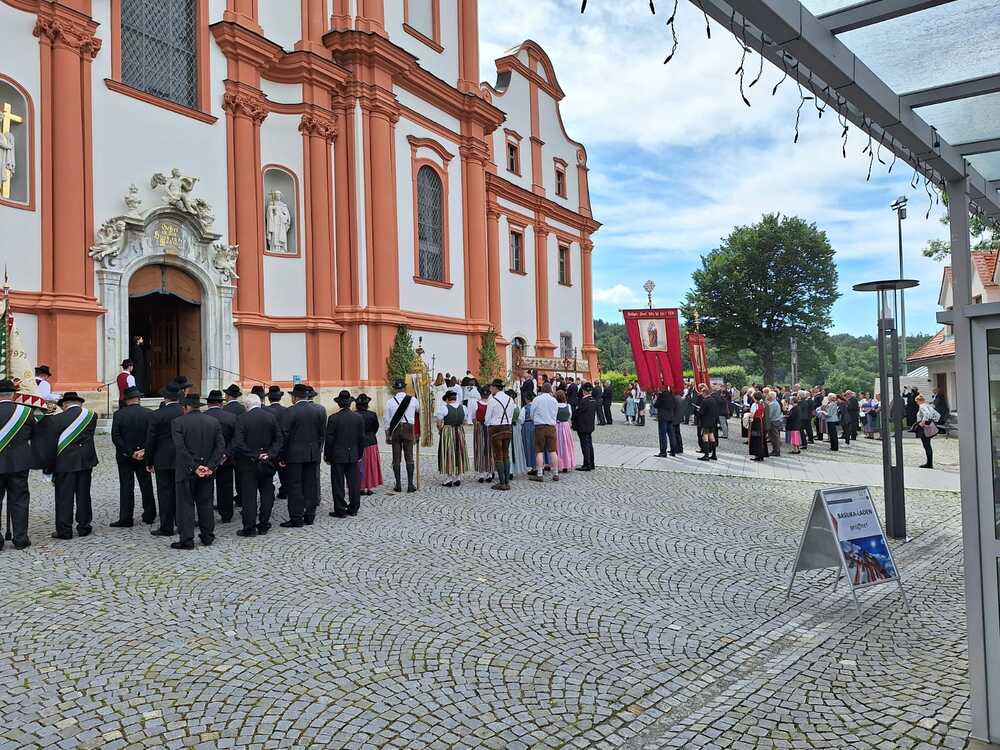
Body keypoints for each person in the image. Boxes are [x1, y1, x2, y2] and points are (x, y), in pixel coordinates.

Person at [170, 393, 224, 550]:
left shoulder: (178, 422)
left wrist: (194, 467)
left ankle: (187, 539)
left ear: (186, 407)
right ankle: (207, 536)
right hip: (207, 470)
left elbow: (180, 448)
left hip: (186, 471)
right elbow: (220, 446)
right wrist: (210, 466)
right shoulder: (213, 421)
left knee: (185, 505)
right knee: (206, 503)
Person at [44, 391, 98, 539]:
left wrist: (48, 467)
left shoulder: (56, 419)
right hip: (86, 460)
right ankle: (84, 526)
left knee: (64, 496)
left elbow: (51, 445)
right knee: (84, 495)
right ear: (79, 403)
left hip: (64, 462)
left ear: (65, 405)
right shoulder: (91, 416)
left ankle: (64, 530)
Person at [231, 393, 281, 536]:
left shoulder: (242, 418)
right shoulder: (271, 417)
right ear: (259, 403)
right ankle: (264, 524)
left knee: (249, 496)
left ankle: (249, 527)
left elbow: (239, 443)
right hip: (267, 461)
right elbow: (279, 439)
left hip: (248, 463)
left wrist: (255, 454)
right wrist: (269, 454)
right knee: (267, 492)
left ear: (246, 406)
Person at [280, 383, 326, 527]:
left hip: (294, 455)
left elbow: (284, 435)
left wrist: (282, 456)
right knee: (311, 485)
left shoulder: (290, 411)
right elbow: (322, 434)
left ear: (294, 397)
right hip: (312, 453)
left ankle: (296, 518)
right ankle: (310, 516)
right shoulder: (319, 410)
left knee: (295, 486)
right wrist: (317, 450)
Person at [110, 386, 155, 527]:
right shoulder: (149, 413)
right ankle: (149, 515)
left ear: (126, 400)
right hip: (144, 455)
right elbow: (152, 436)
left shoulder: (119, 414)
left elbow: (116, 437)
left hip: (125, 457)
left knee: (126, 486)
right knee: (146, 485)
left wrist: (130, 452)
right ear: (139, 399)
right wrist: (143, 450)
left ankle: (126, 518)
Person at [0, 378, 35, 549]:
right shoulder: (26, 412)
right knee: (20, 500)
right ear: (13, 395)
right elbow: (33, 434)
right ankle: (20, 539)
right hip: (19, 463)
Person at [146, 384, 184, 537]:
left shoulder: (157, 415)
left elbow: (151, 440)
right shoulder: (184, 412)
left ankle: (166, 526)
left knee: (165, 493)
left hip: (162, 458)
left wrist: (149, 461)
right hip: (182, 457)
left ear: (165, 397)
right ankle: (183, 523)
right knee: (182, 492)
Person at [324, 391, 366, 518]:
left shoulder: (333, 418)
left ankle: (340, 509)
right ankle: (354, 508)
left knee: (338, 483)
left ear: (339, 404)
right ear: (350, 403)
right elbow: (361, 438)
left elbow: (329, 440)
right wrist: (359, 454)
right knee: (354, 483)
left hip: (337, 455)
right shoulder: (358, 417)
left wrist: (327, 456)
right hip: (353, 454)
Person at [384, 378, 419, 493]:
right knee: (409, 457)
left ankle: (398, 485)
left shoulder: (390, 402)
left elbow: (386, 420)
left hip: (395, 430)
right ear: (404, 388)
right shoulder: (413, 400)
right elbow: (419, 411)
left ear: (395, 389)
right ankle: (410, 485)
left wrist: (387, 435)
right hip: (408, 429)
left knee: (396, 458)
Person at [486, 379, 516, 490]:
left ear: (495, 388)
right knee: (506, 453)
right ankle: (507, 482)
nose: (490, 389)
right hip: (507, 427)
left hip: (496, 428)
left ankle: (502, 482)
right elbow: (512, 414)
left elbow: (487, 418)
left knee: (498, 454)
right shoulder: (510, 399)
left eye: (491, 387)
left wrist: (489, 425)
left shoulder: (493, 400)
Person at [435, 390, 468, 487]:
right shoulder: (463, 408)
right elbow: (465, 422)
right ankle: (458, 477)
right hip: (459, 431)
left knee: (448, 452)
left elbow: (439, 423)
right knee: (459, 452)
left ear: (447, 399)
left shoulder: (444, 408)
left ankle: (449, 478)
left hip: (448, 431)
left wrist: (441, 430)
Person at [530, 384, 560, 482]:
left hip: (540, 427)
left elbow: (531, 414)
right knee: (553, 451)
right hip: (551, 427)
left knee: (539, 451)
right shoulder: (554, 400)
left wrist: (536, 419)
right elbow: (556, 413)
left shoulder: (537, 399)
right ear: (550, 390)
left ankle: (539, 474)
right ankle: (555, 473)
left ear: (542, 390)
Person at [354, 394, 382, 496]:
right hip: (370, 441)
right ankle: (368, 487)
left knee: (358, 466)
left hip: (357, 442)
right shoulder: (372, 415)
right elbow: (375, 428)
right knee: (370, 465)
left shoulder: (354, 415)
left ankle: (359, 486)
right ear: (367, 404)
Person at [571, 382, 597, 471]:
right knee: (589, 444)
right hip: (589, 426)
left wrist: (572, 419)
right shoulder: (593, 400)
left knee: (585, 445)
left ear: (583, 391)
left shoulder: (583, 401)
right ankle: (591, 463)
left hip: (582, 426)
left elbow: (577, 412)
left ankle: (587, 464)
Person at [472, 387, 493, 484]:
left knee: (480, 449)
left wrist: (477, 424)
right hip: (489, 427)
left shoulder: (476, 404)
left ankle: (481, 473)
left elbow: (473, 418)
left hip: (480, 427)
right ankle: (489, 472)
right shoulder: (492, 404)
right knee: (489, 449)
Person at [914, 394, 940, 469]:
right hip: (929, 427)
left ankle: (929, 464)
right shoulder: (928, 406)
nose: (917, 403)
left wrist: (923, 423)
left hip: (924, 428)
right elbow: (938, 415)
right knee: (928, 445)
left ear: (919, 401)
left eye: (917, 402)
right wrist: (933, 422)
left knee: (926, 445)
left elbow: (926, 414)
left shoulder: (922, 406)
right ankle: (929, 463)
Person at [554, 390, 574, 474]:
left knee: (557, 445)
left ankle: (558, 464)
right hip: (565, 426)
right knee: (566, 445)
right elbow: (570, 416)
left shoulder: (555, 406)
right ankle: (566, 464)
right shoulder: (568, 406)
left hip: (557, 426)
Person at [698, 385, 720, 461]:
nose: (702, 394)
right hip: (712, 421)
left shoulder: (705, 401)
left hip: (705, 421)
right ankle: (714, 454)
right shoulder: (713, 400)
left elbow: (701, 412)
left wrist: (698, 411)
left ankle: (706, 455)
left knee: (705, 437)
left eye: (702, 393)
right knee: (712, 436)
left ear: (704, 393)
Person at [653, 387, 676, 457]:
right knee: (671, 434)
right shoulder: (672, 395)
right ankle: (673, 450)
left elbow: (656, 405)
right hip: (670, 417)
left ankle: (663, 451)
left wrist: (656, 398)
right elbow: (674, 405)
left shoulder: (661, 395)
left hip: (663, 417)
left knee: (662, 435)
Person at [748, 392, 768, 461]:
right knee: (761, 438)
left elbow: (752, 414)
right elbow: (762, 414)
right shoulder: (762, 404)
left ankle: (757, 454)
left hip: (755, 422)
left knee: (755, 438)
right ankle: (761, 454)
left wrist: (749, 419)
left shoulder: (754, 405)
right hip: (760, 421)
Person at [764, 391, 782, 457]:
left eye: (768, 395)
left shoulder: (772, 404)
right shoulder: (775, 403)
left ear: (771, 397)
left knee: (774, 437)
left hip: (773, 422)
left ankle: (776, 451)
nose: (767, 396)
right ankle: (775, 450)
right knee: (774, 436)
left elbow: (769, 415)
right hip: (776, 421)